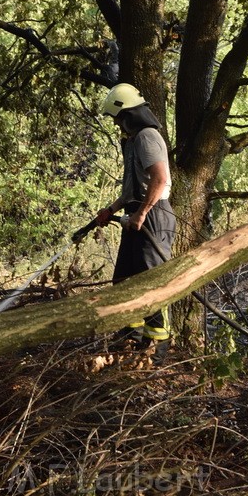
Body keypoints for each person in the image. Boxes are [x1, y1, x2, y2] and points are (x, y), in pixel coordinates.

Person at [94, 83, 176, 364]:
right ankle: (130, 335)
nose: (117, 124)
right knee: (125, 278)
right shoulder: (133, 141)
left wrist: (141, 214)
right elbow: (132, 188)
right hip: (138, 211)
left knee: (152, 281)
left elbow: (160, 179)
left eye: (118, 118)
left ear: (128, 114)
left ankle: (157, 341)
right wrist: (111, 209)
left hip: (153, 215)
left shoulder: (147, 138)